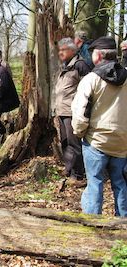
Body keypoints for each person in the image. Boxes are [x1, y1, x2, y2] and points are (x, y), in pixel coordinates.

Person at [71, 36, 127, 216]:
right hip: (122, 143)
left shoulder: (91, 80)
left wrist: (79, 133)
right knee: (121, 184)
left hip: (96, 141)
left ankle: (92, 225)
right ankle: (123, 225)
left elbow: (80, 113)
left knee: (95, 182)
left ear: (99, 55)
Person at [55, 38, 91, 185]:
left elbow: (88, 89)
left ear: (72, 50)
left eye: (63, 50)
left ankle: (79, 175)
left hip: (73, 112)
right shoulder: (65, 66)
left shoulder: (80, 65)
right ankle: (69, 168)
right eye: (59, 50)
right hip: (62, 110)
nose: (60, 53)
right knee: (65, 142)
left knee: (74, 143)